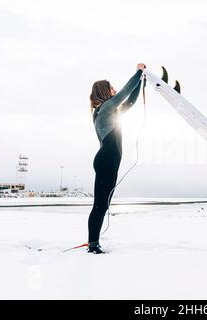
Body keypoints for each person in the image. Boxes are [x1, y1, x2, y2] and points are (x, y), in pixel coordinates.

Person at [87, 63, 146, 254]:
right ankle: (93, 245)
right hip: (106, 161)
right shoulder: (104, 109)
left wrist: (141, 82)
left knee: (103, 205)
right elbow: (124, 94)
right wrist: (138, 71)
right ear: (104, 91)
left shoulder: (112, 111)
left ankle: (93, 243)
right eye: (111, 87)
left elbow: (130, 101)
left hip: (110, 162)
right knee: (99, 205)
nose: (114, 90)